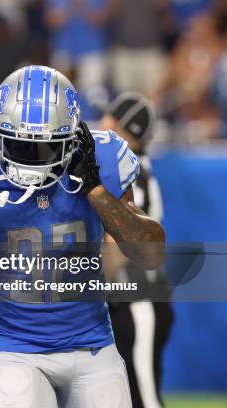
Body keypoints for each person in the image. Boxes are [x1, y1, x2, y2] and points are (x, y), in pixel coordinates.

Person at [0, 65, 166, 407]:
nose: (30, 159)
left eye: (45, 147)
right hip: (14, 347)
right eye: (18, 144)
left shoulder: (100, 156)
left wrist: (97, 191)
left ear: (71, 138)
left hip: (92, 345)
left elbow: (151, 254)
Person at [100, 92, 174, 408]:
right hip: (128, 299)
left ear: (121, 127)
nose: (103, 123)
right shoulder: (131, 167)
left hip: (137, 298)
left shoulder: (131, 173)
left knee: (144, 399)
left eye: (111, 119)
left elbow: (124, 237)